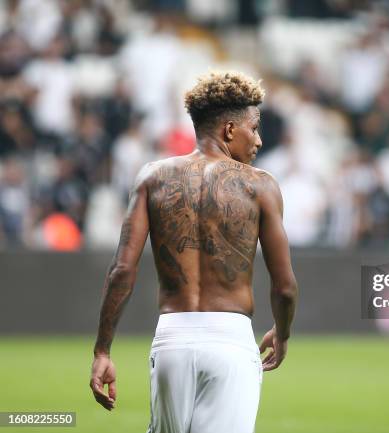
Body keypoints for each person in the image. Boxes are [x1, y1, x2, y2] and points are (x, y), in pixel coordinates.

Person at [89, 71, 298, 433]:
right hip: (231, 343)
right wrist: (282, 333)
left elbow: (121, 270)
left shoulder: (152, 178)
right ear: (230, 130)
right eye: (254, 128)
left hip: (171, 340)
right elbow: (285, 287)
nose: (259, 140)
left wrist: (102, 351)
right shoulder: (261, 186)